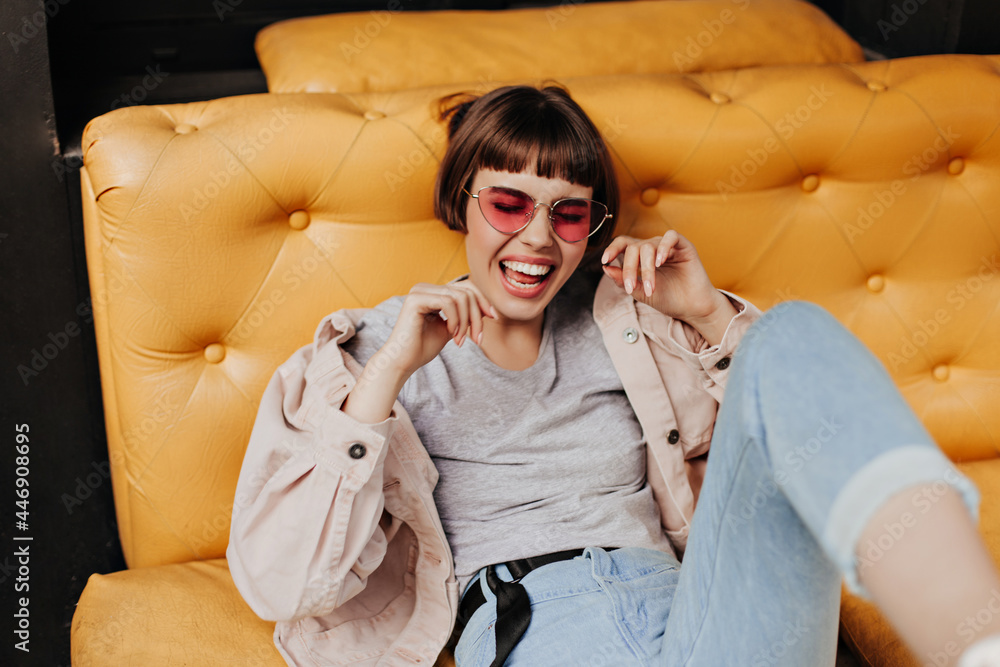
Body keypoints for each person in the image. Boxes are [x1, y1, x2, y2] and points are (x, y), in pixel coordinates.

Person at [227, 85, 1000, 667]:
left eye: (567, 214)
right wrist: (387, 376)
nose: (536, 239)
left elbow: (783, 452)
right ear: (458, 203)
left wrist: (702, 312)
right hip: (543, 622)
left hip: (705, 613)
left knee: (789, 334)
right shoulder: (367, 354)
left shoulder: (633, 324)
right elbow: (283, 583)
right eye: (507, 203)